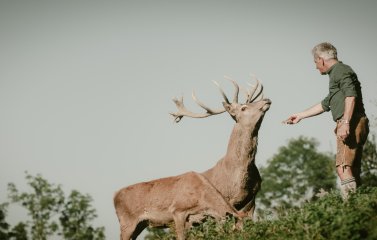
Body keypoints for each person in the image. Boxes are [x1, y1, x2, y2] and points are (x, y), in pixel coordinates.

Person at [283, 42, 369, 200]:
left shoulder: (340, 71)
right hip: (356, 120)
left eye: (315, 62)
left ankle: (351, 209)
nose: (316, 67)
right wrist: (300, 115)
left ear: (321, 59)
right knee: (353, 168)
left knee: (342, 166)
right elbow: (326, 103)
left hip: (351, 121)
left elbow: (351, 95)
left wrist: (345, 122)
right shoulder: (338, 72)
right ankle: (362, 206)